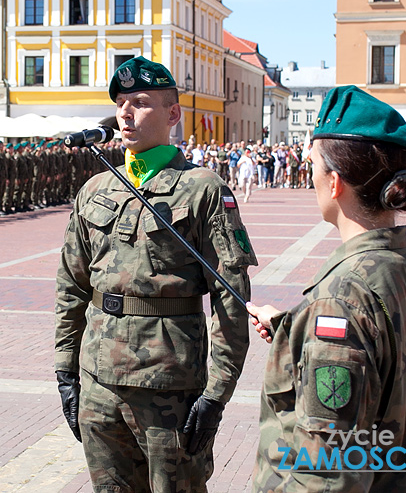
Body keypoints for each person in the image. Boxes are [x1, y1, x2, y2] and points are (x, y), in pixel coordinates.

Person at [55, 56, 257, 493]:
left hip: (168, 387)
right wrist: (65, 372)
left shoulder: (203, 188)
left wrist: (217, 396)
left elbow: (230, 300)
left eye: (141, 102)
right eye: (121, 102)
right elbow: (71, 287)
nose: (125, 113)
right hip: (98, 380)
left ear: (172, 114)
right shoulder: (96, 188)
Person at [247, 86, 406, 493]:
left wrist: (321, 322)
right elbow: (382, 352)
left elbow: (324, 474)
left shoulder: (341, 297)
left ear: (335, 182)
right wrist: (295, 330)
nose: (312, 180)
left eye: (314, 169)